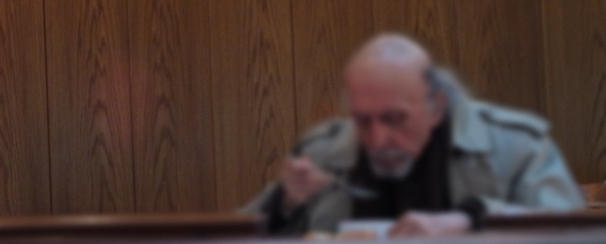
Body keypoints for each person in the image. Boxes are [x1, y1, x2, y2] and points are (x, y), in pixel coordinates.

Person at [241, 33, 584, 237]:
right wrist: (284, 204)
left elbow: (578, 232)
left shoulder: (513, 144)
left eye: (395, 119)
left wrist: (471, 219)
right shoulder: (323, 150)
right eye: (363, 121)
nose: (377, 140)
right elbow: (232, 236)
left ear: (436, 105)